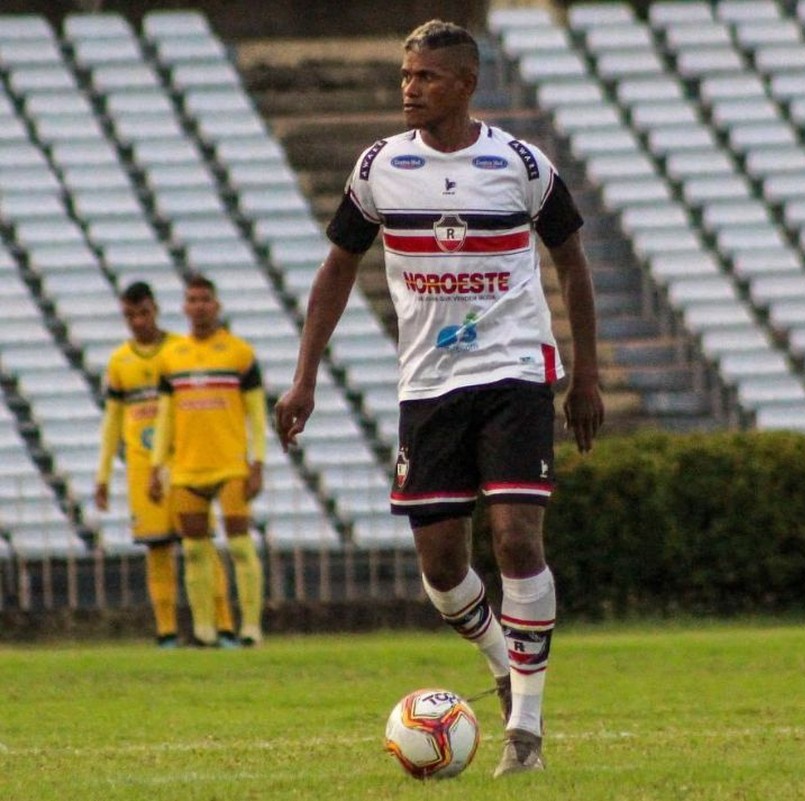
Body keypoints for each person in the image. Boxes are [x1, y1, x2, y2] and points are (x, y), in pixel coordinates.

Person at [274, 19, 604, 778]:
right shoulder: (378, 168)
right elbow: (335, 270)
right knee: (442, 565)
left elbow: (572, 262)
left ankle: (525, 728)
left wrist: (583, 376)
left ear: (464, 84)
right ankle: (499, 657)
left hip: (516, 370)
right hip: (427, 384)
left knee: (518, 538)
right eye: (405, 75)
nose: (408, 89)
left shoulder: (520, 164)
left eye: (423, 77)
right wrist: (305, 375)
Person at [95, 280, 238, 648]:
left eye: (143, 313)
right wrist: (103, 475)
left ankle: (222, 628)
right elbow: (112, 420)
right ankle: (167, 633)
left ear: (155, 310)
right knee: (157, 548)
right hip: (144, 468)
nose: (138, 322)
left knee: (200, 544)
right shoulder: (120, 362)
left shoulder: (180, 350)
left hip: (186, 462)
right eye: (130, 316)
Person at [149, 274, 267, 647]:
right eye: (192, 299)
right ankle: (203, 631)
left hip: (230, 466)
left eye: (204, 299)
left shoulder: (239, 354)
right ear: (184, 307)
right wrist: (156, 466)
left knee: (239, 546)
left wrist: (257, 462)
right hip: (186, 469)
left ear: (216, 305)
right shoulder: (171, 358)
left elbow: (257, 413)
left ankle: (250, 628)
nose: (198, 306)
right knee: (195, 550)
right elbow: (164, 417)